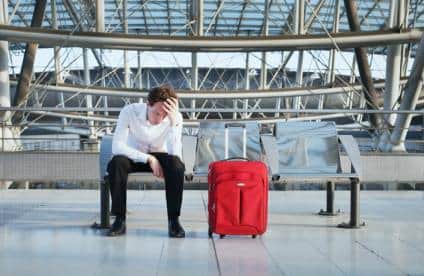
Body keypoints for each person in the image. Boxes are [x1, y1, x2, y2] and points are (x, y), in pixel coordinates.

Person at [106, 85, 185, 238]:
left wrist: (174, 123)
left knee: (176, 166)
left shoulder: (174, 117)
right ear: (148, 104)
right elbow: (117, 146)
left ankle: (174, 221)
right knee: (116, 163)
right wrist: (149, 158)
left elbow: (175, 154)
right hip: (134, 156)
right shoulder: (130, 111)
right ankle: (119, 220)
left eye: (165, 115)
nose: (160, 119)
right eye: (157, 113)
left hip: (161, 155)